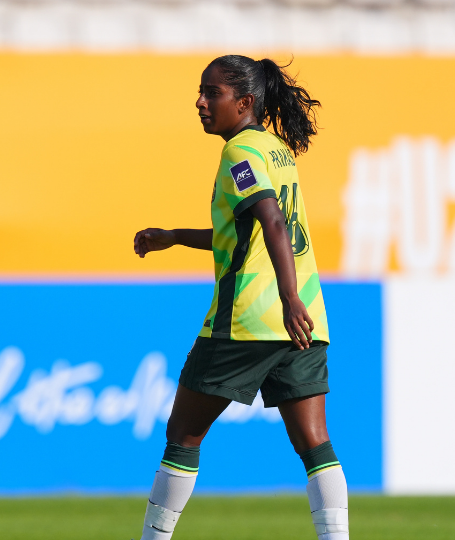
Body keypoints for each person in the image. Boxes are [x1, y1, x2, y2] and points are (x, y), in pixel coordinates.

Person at [131, 55, 348, 540]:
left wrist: (286, 296)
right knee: (315, 445)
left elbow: (272, 222)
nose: (201, 102)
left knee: (183, 434)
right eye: (201, 91)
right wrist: (175, 236)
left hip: (248, 319)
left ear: (245, 102)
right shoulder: (277, 150)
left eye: (212, 93)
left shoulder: (239, 153)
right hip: (305, 322)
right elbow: (246, 233)